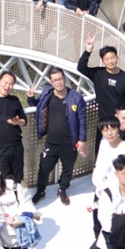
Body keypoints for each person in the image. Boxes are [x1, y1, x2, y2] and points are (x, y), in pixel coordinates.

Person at [84, 116, 125, 249]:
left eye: (112, 128)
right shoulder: (104, 143)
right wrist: (99, 188)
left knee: (111, 229)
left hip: (116, 196)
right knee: (97, 226)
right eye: (105, 130)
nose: (109, 133)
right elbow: (99, 167)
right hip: (101, 193)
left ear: (118, 128)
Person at [30, 67, 86, 205]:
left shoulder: (76, 98)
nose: (59, 82)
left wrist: (82, 140)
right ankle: (40, 191)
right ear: (51, 82)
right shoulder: (47, 93)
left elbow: (82, 120)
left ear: (64, 79)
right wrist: (31, 98)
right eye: (55, 80)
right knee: (44, 168)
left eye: (60, 79)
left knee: (68, 169)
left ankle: (62, 189)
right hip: (51, 142)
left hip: (69, 142)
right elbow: (38, 106)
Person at [78, 34, 125, 141]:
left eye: (112, 58)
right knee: (101, 149)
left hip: (120, 123)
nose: (110, 61)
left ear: (117, 57)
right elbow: (81, 68)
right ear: (103, 61)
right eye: (107, 59)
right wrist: (88, 51)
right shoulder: (98, 74)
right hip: (103, 122)